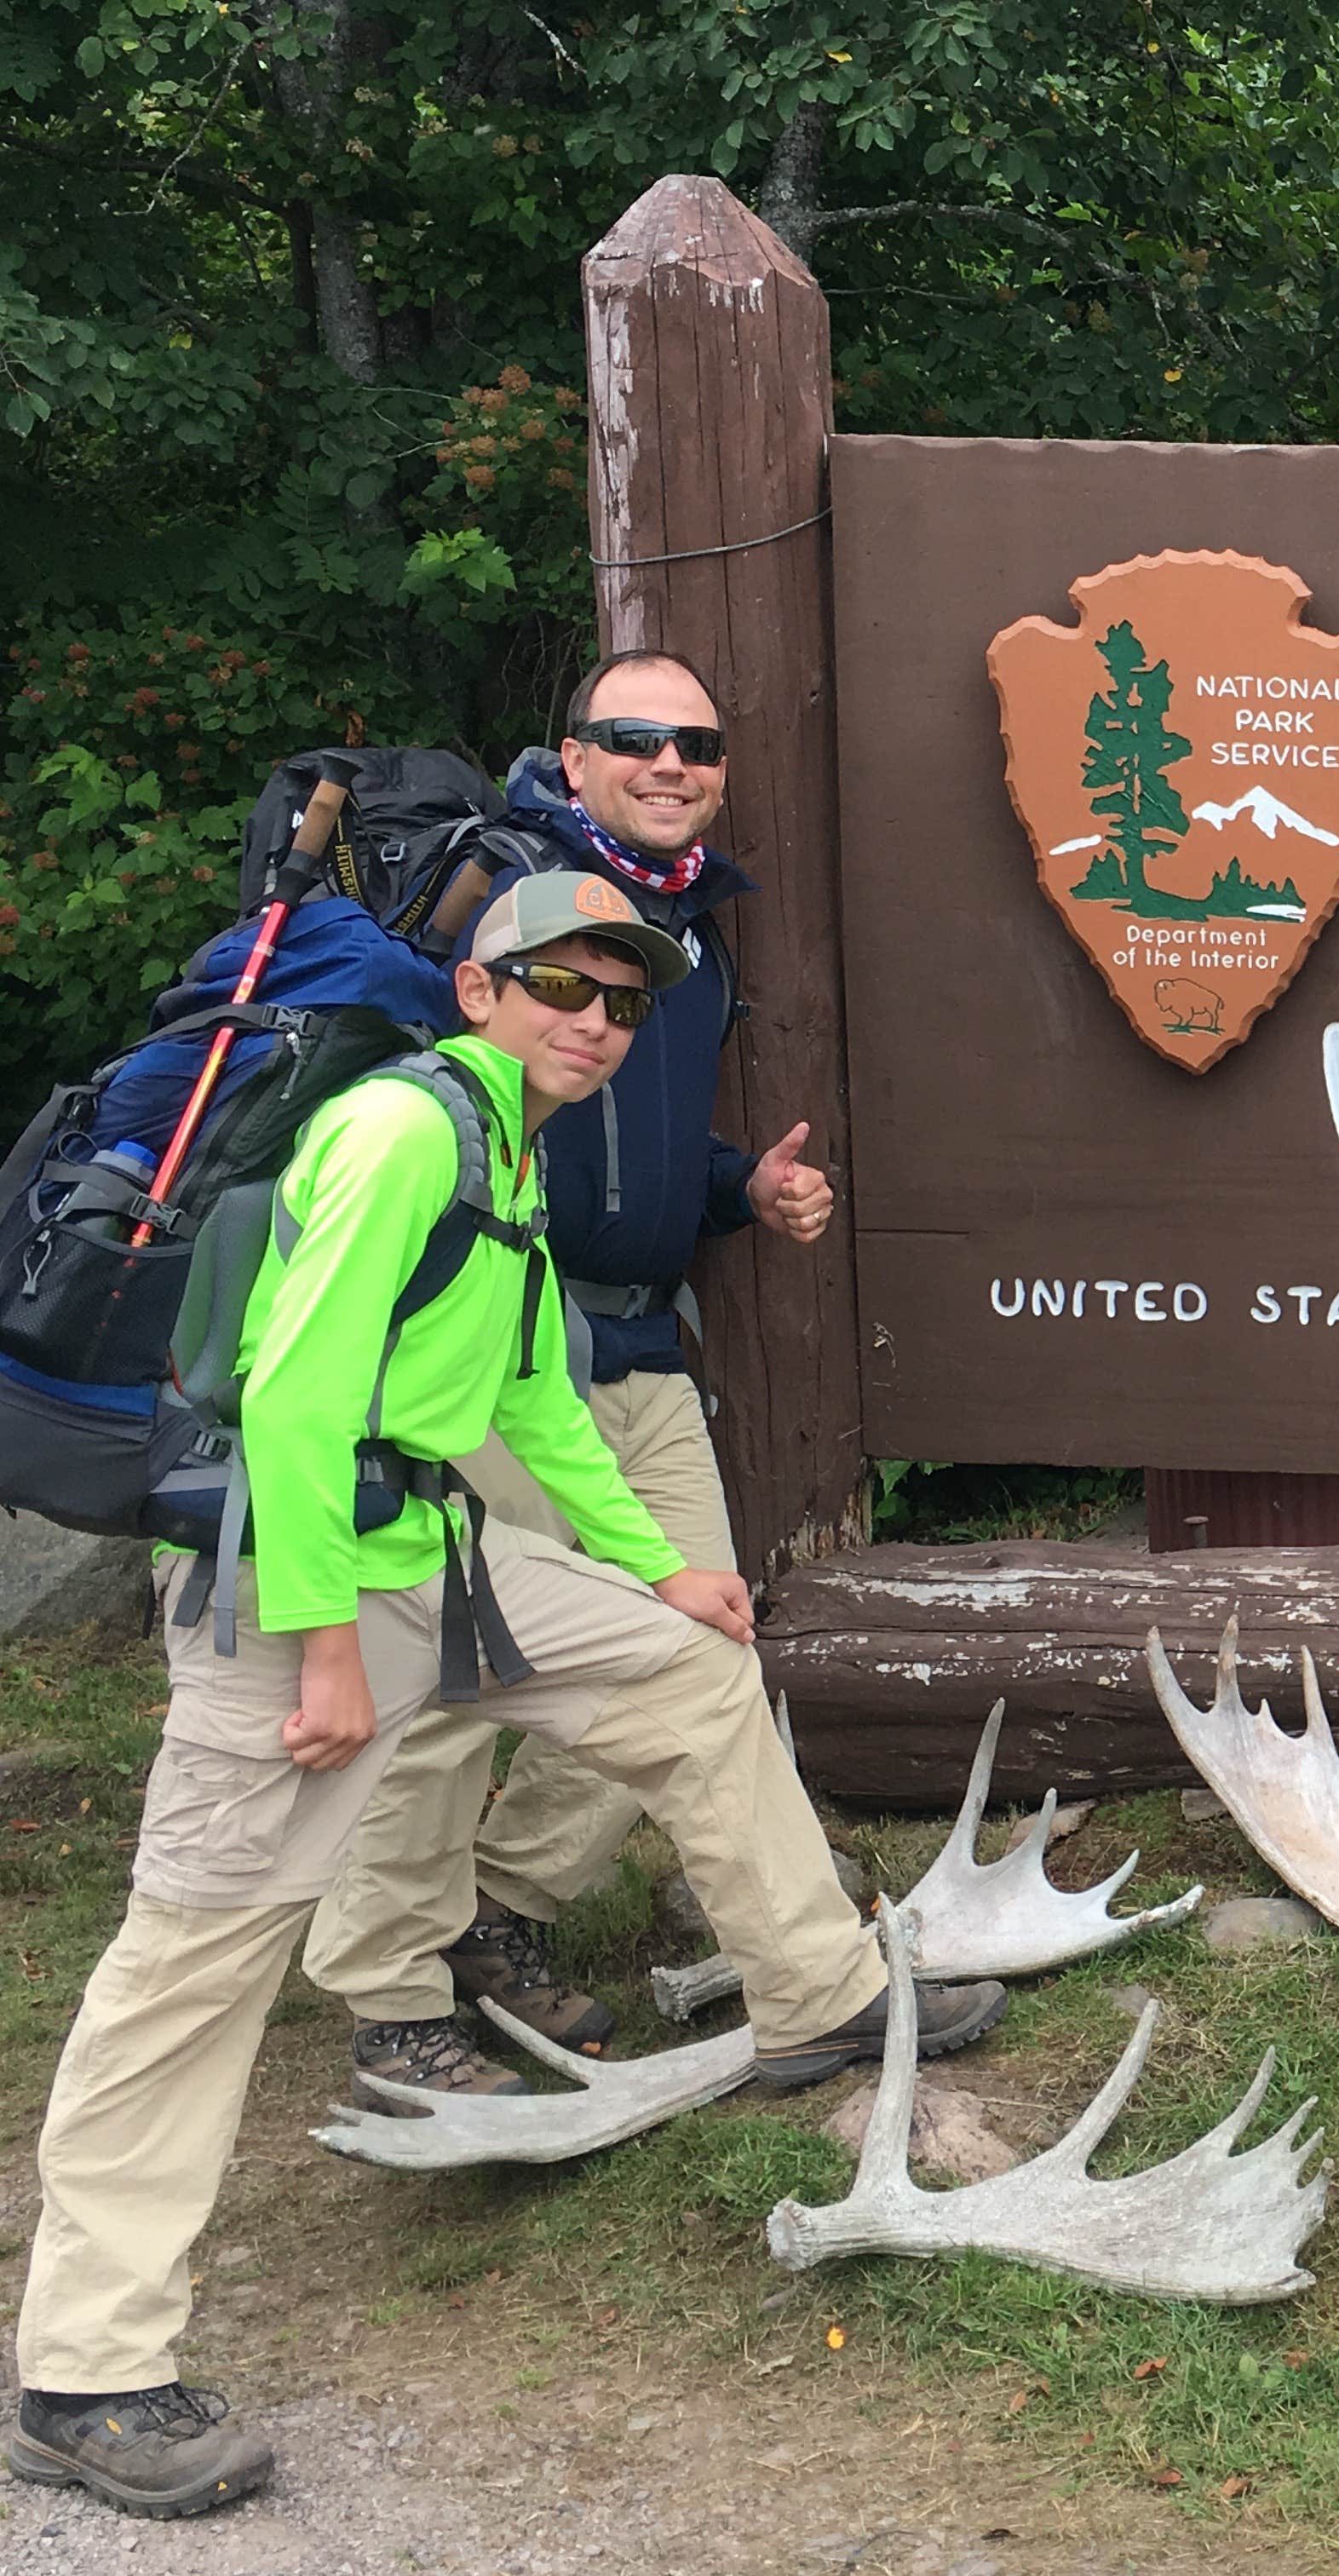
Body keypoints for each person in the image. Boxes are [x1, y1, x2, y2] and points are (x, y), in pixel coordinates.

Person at [7, 875, 1005, 2521]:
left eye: (620, 1000)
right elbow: (301, 1395)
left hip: (443, 1551)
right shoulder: (407, 1133)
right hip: (304, 1580)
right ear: (478, 990)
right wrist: (324, 1646)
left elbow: (536, 1393)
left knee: (692, 1675)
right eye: (559, 986)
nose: (594, 1021)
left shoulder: (506, 1145)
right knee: (194, 1960)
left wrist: (655, 1565)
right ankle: (87, 2374)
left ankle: (816, 1995)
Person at [301, 650, 837, 2102]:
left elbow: (610, 1144)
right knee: (453, 1687)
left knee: (690, 1643)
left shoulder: (687, 942)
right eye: (638, 738)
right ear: (577, 755)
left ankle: (501, 1915)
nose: (674, 763)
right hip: (480, 1368)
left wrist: (738, 1192)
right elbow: (463, 1126)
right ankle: (392, 1996)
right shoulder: (505, 904)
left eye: (700, 743)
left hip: (636, 1351)